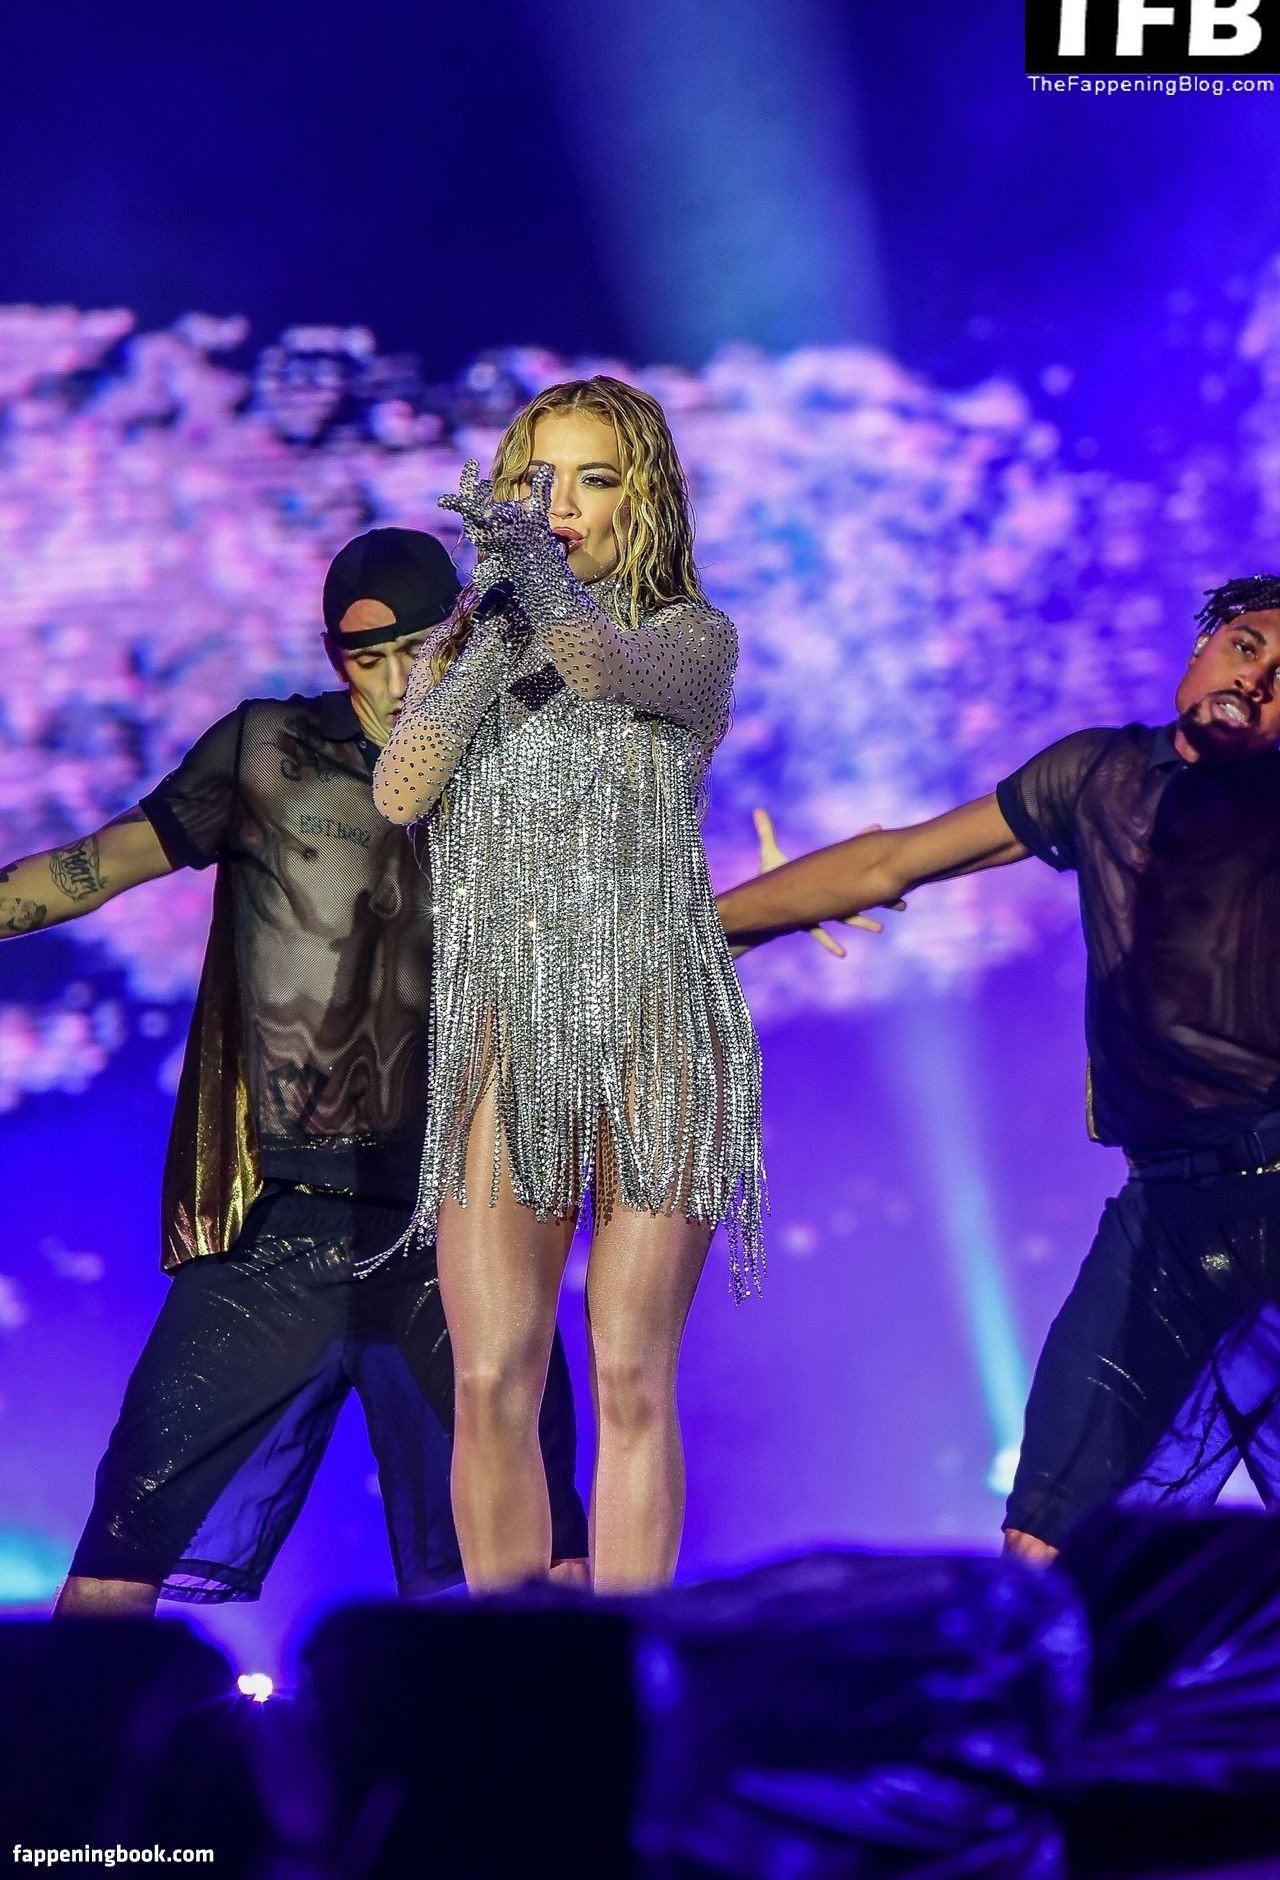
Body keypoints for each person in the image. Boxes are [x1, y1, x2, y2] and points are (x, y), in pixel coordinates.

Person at [1, 527, 587, 1614]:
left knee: (541, 1567)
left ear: (463, 638)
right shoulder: (270, 753)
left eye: (421, 652)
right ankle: (78, 1727)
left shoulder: (523, 767)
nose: (398, 682)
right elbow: (100, 865)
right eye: (368, 659)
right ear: (333, 658)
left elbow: (617, 935)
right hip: (275, 1224)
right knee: (118, 1551)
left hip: (458, 1225)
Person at [717, 575, 1280, 1562]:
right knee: (1042, 1541)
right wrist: (702, 928)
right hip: (1164, 1215)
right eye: (1245, 645)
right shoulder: (1099, 776)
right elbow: (887, 863)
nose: (1257, 679)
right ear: (1199, 650)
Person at [373, 378, 765, 1592]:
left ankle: (633, 1658)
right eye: (535, 482)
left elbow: (597, 665)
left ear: (643, 498)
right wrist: (487, 635)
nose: (559, 507)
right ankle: (514, 1664)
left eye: (593, 480)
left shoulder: (690, 640)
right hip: (505, 1034)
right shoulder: (476, 648)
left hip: (656, 1025)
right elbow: (400, 788)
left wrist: (532, 583)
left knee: (631, 1374)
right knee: (492, 1375)